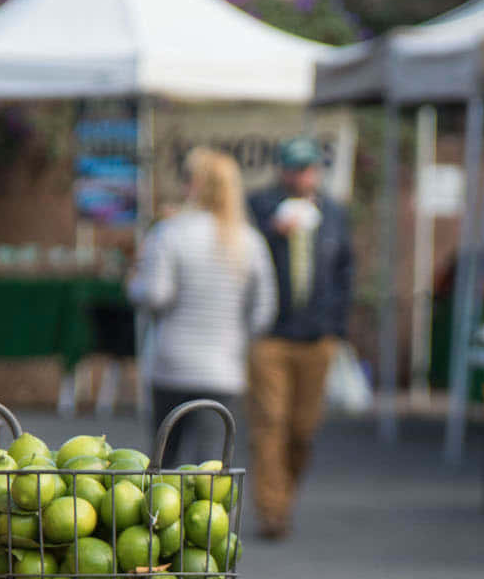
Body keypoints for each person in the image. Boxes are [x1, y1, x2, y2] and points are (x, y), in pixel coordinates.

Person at [130, 149, 277, 467]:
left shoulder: (170, 233)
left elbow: (155, 295)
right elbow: (264, 310)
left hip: (171, 364)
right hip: (223, 369)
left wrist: (133, 279)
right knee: (210, 470)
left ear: (194, 184)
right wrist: (237, 337)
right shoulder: (250, 241)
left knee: (164, 465)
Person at [247, 137, 354, 540]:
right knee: (269, 421)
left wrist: (337, 329)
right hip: (270, 335)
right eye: (293, 167)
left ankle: (285, 493)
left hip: (317, 337)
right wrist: (274, 233)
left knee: (303, 428)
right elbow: (246, 256)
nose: (301, 175)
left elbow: (345, 271)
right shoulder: (260, 207)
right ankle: (272, 510)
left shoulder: (334, 213)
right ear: (282, 170)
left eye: (308, 167)